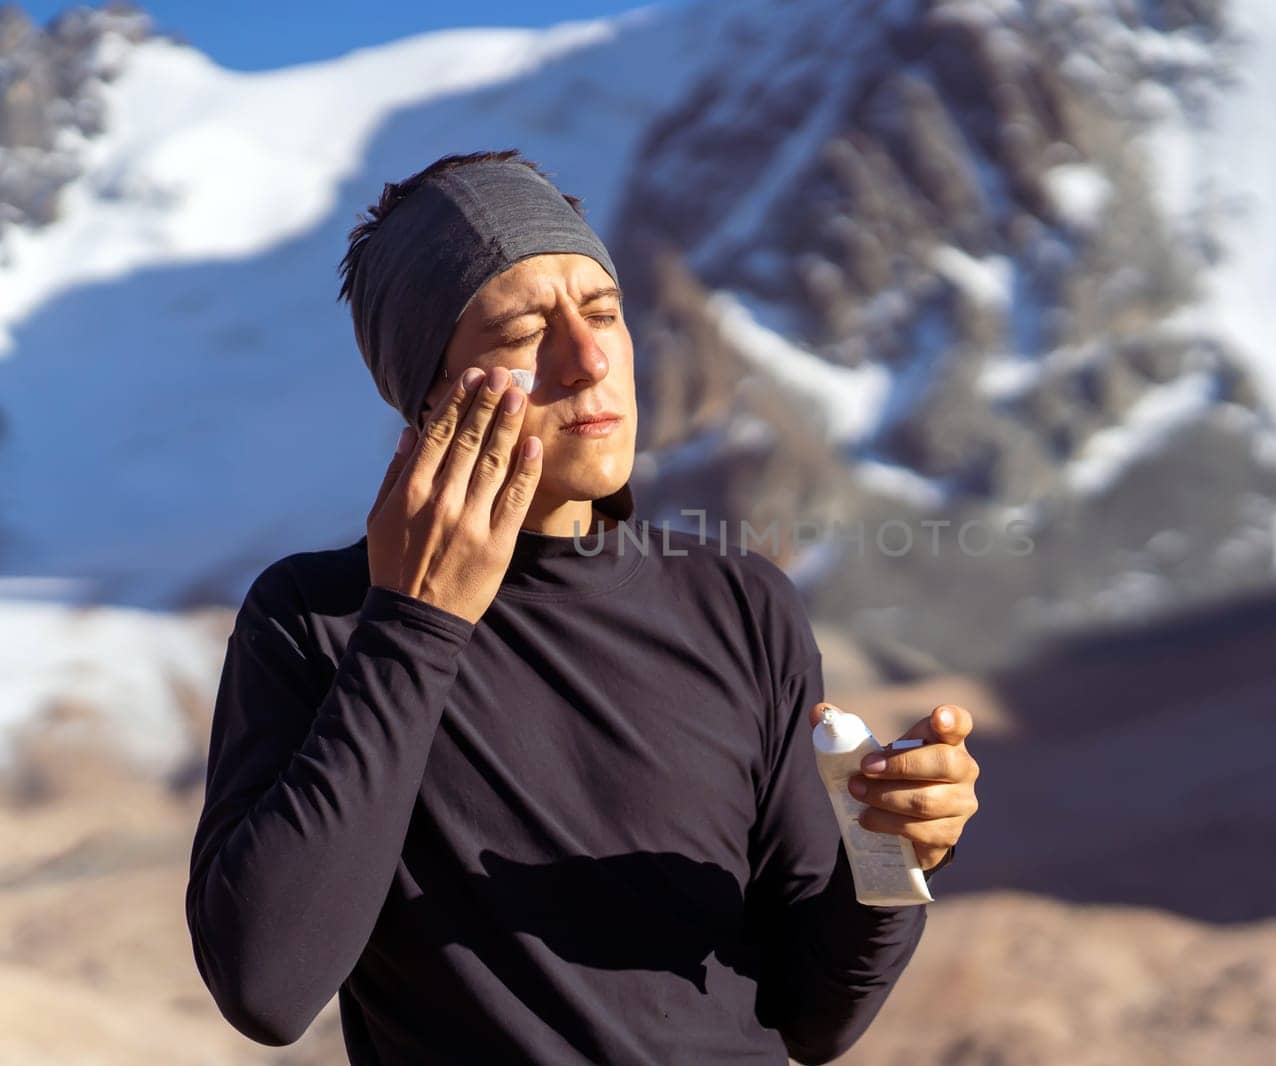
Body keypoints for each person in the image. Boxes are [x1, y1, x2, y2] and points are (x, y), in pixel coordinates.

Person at [183, 149, 982, 1065]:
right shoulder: (317, 621)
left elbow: (814, 1016)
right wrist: (413, 627)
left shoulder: (738, 603)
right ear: (432, 395)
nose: (587, 358)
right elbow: (266, 989)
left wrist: (894, 855)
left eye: (602, 313)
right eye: (526, 331)